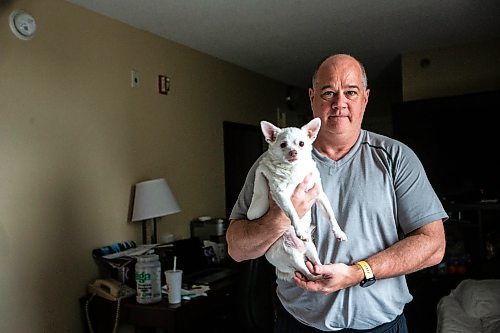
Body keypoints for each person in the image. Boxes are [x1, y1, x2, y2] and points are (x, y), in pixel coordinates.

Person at [226, 54, 447, 332]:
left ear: (365, 99)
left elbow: (434, 245)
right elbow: (236, 248)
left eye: (350, 92)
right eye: (328, 92)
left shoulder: (396, 157)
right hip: (298, 324)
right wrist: (281, 216)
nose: (339, 103)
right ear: (312, 97)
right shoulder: (271, 164)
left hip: (381, 326)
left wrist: (359, 273)